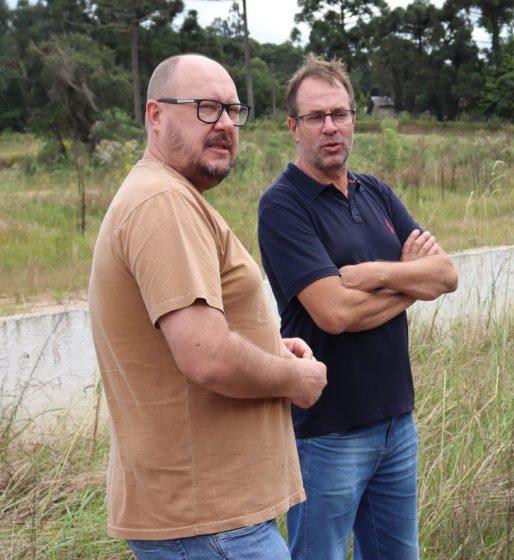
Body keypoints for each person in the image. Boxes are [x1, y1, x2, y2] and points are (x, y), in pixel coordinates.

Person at [88, 53, 327, 559]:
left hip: (208, 519)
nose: (223, 124)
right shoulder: (163, 205)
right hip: (208, 522)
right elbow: (207, 357)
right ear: (155, 114)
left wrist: (266, 346)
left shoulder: (168, 196)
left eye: (232, 111)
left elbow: (192, 337)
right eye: (204, 108)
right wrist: (295, 381)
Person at [257, 54, 458, 560]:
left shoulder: (376, 193)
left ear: (353, 120)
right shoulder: (283, 206)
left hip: (397, 422)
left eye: (340, 114)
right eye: (315, 117)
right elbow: (335, 314)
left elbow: (446, 275)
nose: (330, 127)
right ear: (293, 127)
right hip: (328, 433)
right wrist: (413, 285)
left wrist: (375, 275)